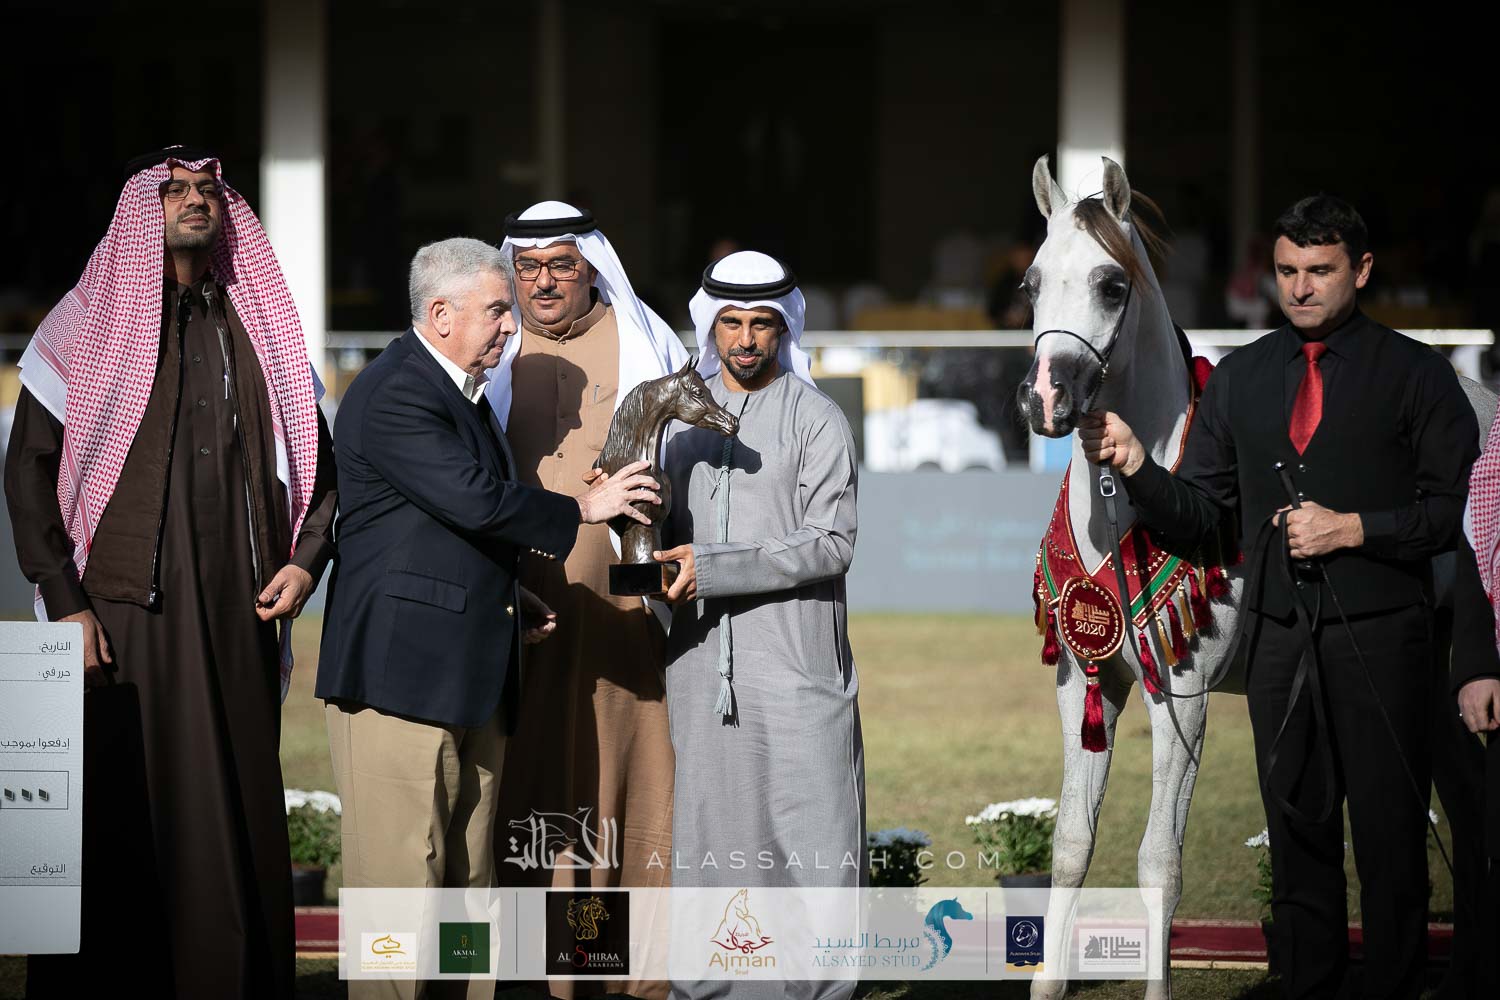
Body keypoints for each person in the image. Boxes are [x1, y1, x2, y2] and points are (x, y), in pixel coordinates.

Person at [1081, 196, 1478, 999]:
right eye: (1288, 270)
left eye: (1320, 271)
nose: (1300, 287)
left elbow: (1449, 516)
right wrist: (1137, 467)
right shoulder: (1241, 378)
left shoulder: (1419, 375)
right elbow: (1203, 518)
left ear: (1361, 270)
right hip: (1277, 642)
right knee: (1298, 836)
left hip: (1386, 638)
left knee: (1389, 840)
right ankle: (1306, 984)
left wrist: (1354, 529)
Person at [4, 145, 336, 998]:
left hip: (241, 612)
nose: (196, 200)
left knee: (236, 800)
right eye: (175, 190)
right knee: (123, 808)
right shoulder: (85, 324)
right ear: (139, 211)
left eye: (208, 190)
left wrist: (305, 564)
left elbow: (320, 466)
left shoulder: (259, 326)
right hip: (122, 617)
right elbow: (28, 473)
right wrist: (65, 602)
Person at [316, 237, 657, 1000]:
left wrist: (507, 599)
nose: (512, 325)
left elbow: (438, 532)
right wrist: (583, 507)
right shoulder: (397, 390)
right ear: (441, 315)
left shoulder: (460, 394)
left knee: (467, 888)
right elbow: (472, 499)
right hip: (399, 680)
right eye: (498, 309)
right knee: (400, 890)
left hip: (469, 675)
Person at [486, 202, 687, 999]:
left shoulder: (647, 341)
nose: (542, 283)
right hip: (515, 611)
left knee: (625, 779)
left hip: (622, 617)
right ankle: (532, 970)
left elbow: (691, 468)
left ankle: (625, 968)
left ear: (592, 267)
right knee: (529, 780)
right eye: (527, 267)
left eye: (561, 265)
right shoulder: (490, 342)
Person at [656, 251, 865, 1000]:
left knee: (813, 829)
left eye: (762, 324)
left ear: (785, 327)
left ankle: (820, 989)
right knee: (712, 832)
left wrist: (715, 567)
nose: (745, 340)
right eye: (732, 323)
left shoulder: (816, 417)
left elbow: (832, 541)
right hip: (697, 660)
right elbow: (658, 537)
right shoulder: (676, 421)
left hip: (796, 658)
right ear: (710, 326)